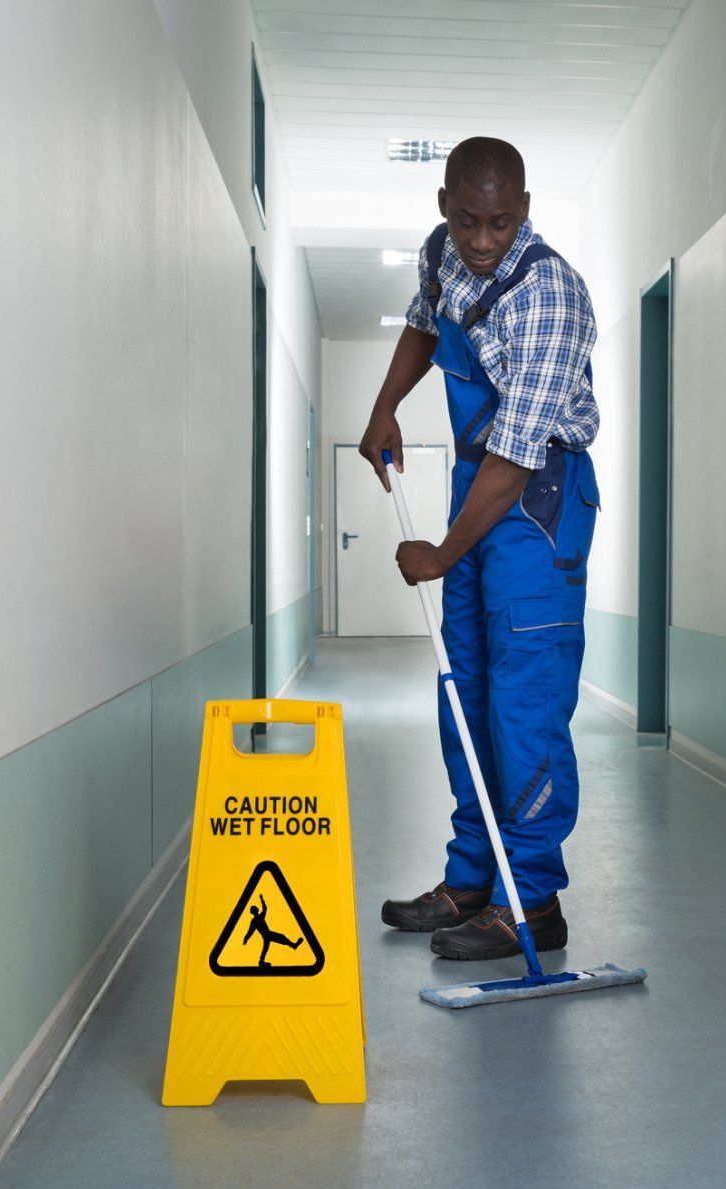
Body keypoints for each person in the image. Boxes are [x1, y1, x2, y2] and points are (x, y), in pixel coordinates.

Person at [361, 137, 600, 962]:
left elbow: (517, 454)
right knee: (461, 687)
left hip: (537, 496)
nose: (484, 239)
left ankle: (531, 900)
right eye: (469, 220)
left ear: (526, 210)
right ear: (443, 207)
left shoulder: (550, 295)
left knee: (523, 700)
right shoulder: (442, 254)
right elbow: (426, 327)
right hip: (479, 478)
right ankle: (473, 875)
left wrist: (441, 552)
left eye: (502, 221)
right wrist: (385, 405)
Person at [243, 899, 302, 967]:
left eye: (253, 909)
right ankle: (293, 945)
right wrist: (246, 938)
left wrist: (262, 901)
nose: (253, 910)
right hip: (268, 935)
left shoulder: (259, 918)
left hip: (267, 934)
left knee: (267, 947)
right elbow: (250, 931)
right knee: (278, 939)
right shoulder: (255, 920)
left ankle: (261, 961)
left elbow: (265, 909)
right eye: (252, 909)